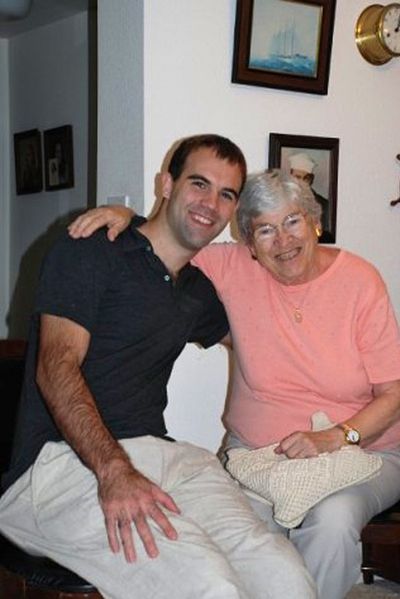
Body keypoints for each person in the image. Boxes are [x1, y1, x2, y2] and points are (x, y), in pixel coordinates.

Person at [0, 137, 316, 599]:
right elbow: (56, 367)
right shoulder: (91, 249)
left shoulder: (197, 291)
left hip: (163, 457)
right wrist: (114, 471)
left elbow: (270, 337)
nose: (210, 204)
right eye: (199, 184)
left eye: (226, 195)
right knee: (210, 585)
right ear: (166, 183)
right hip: (58, 468)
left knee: (285, 577)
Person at [70, 169, 400, 599]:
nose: (283, 241)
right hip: (257, 456)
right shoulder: (232, 266)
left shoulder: (360, 280)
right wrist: (128, 218)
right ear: (249, 243)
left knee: (332, 522)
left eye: (293, 221)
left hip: (364, 453)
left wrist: (338, 436)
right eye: (265, 229)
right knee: (239, 530)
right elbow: (165, 245)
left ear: (315, 222)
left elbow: (394, 393)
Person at [288, 152, 330, 233]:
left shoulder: (324, 204)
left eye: (306, 178)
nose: (301, 182)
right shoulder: (283, 201)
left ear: (311, 180)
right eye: (298, 177)